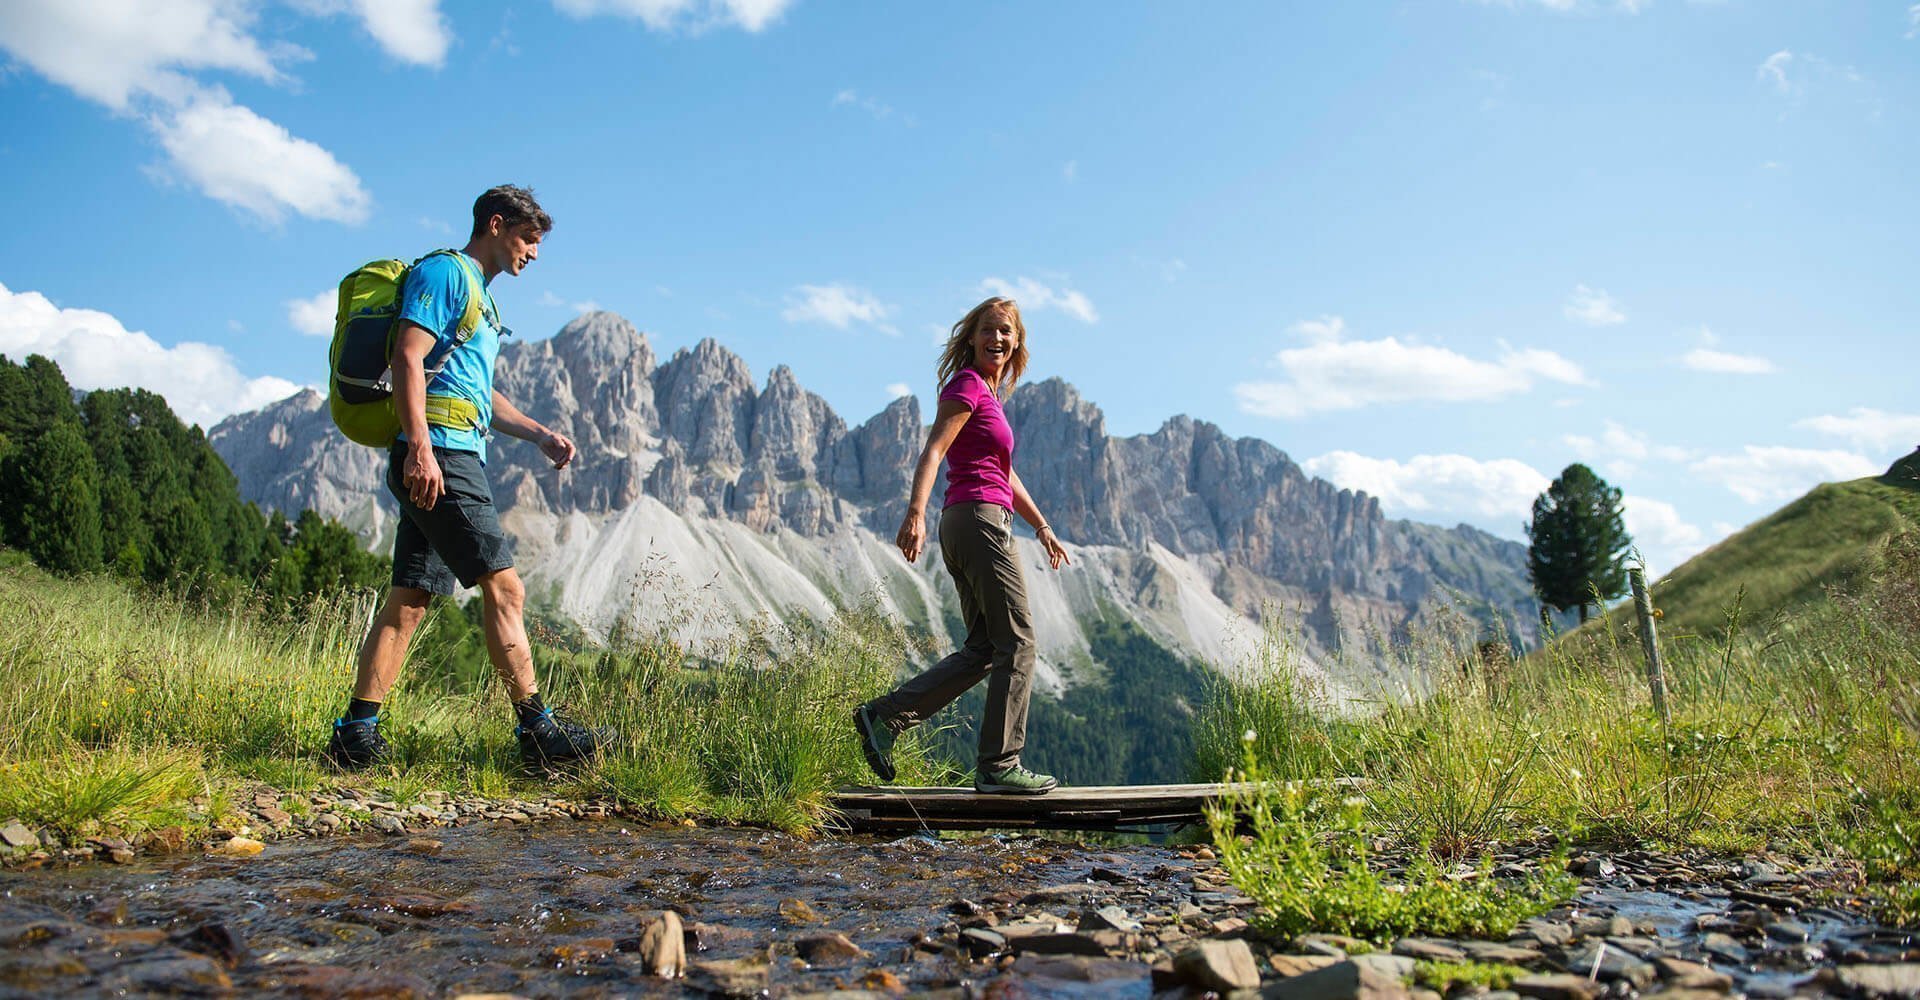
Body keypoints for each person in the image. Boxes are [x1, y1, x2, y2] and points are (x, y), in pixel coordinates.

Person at [325, 184, 610, 771]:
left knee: (411, 599)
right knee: (506, 588)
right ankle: (539, 731)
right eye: (529, 239)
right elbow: (408, 356)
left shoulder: (481, 296)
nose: (533, 253)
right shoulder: (447, 275)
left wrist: (537, 434)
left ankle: (356, 733)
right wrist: (422, 453)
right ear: (497, 225)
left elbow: (476, 389)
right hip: (442, 456)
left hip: (451, 451)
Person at [853, 297, 1071, 795]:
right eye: (990, 330)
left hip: (975, 518)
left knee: (983, 648)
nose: (998, 339)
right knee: (1018, 641)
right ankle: (999, 765)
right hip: (977, 520)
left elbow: (1004, 473)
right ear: (971, 337)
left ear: (1017, 344)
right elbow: (935, 448)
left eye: (1007, 333)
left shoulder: (990, 396)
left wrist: (1041, 526)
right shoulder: (967, 385)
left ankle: (883, 718)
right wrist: (914, 513)